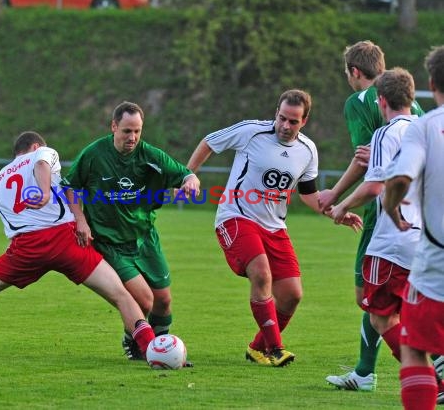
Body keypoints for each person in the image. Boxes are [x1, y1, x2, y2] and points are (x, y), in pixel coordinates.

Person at [0, 131, 155, 357]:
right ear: (35, 147)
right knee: (120, 295)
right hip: (65, 240)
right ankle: (151, 350)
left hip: (26, 249)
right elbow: (42, 164)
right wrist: (44, 193)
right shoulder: (43, 152)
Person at [185, 89, 363, 367]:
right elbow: (210, 141)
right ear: (276, 114)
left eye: (293, 121)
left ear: (304, 121)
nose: (285, 126)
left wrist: (336, 212)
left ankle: (257, 348)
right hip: (236, 216)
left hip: (275, 227)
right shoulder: (252, 132)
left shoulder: (308, 150)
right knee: (261, 273)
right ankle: (275, 348)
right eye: (282, 118)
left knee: (292, 295)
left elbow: (307, 194)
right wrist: (190, 173)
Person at [321, 41, 426, 392]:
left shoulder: (362, 105)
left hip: (387, 222)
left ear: (354, 71)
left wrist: (336, 198)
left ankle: (427, 375)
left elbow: (368, 166)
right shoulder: (419, 112)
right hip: (425, 221)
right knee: (396, 301)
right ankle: (365, 373)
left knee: (374, 303)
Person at [61, 101, 200, 360]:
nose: (132, 137)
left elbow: (185, 174)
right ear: (114, 127)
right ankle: (137, 344)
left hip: (145, 239)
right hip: (111, 243)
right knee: (144, 300)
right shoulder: (94, 154)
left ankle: (163, 351)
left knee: (163, 301)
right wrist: (80, 219)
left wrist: (191, 181)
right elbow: (70, 186)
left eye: (137, 131)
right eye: (126, 131)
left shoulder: (150, 156)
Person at [383, 45, 444, 410]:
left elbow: (400, 177)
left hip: (436, 267)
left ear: (431, 82)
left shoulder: (425, 127)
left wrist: (392, 208)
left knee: (415, 347)